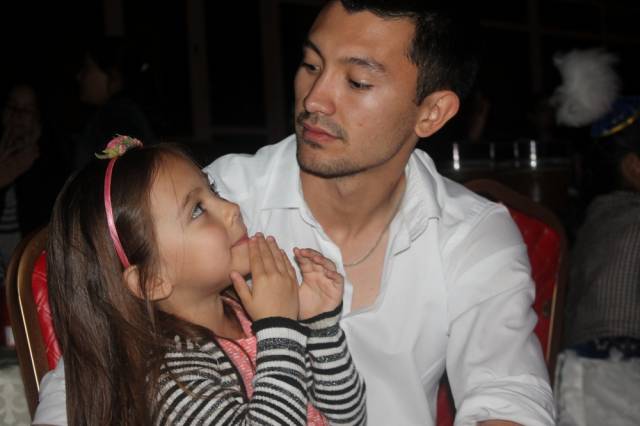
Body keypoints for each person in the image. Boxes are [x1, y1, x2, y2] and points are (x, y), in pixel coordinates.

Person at [35, 1, 554, 424]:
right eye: (310, 65)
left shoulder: (472, 234)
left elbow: (509, 396)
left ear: (432, 112)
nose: (314, 99)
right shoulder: (221, 198)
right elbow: (91, 375)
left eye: (357, 82)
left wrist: (318, 326)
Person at [38, 136, 365, 425]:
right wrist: (279, 329)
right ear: (152, 281)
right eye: (197, 210)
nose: (232, 208)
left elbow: (348, 417)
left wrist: (321, 329)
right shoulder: (171, 379)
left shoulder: (246, 312)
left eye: (213, 190)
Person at [71, 36, 157, 169]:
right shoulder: (124, 113)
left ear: (112, 74)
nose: (79, 76)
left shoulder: (117, 117)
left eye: (87, 67)